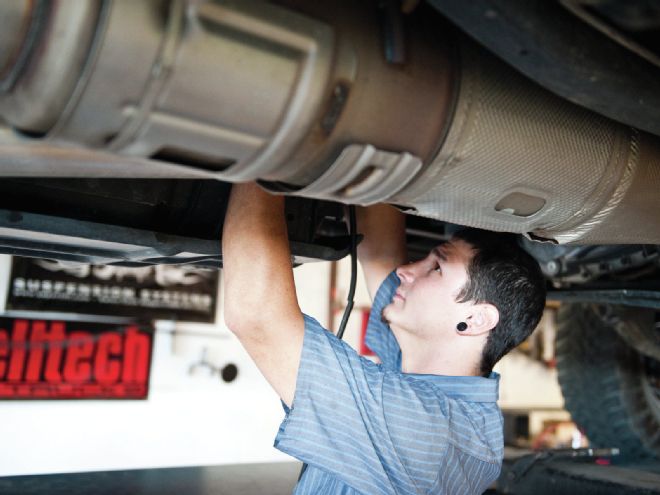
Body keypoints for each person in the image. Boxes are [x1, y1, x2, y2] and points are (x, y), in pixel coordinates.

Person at [222, 183, 546, 494]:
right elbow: (380, 251)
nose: (408, 270)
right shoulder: (429, 372)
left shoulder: (430, 437)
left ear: (476, 319)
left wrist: (267, 160)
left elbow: (257, 316)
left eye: (436, 268)